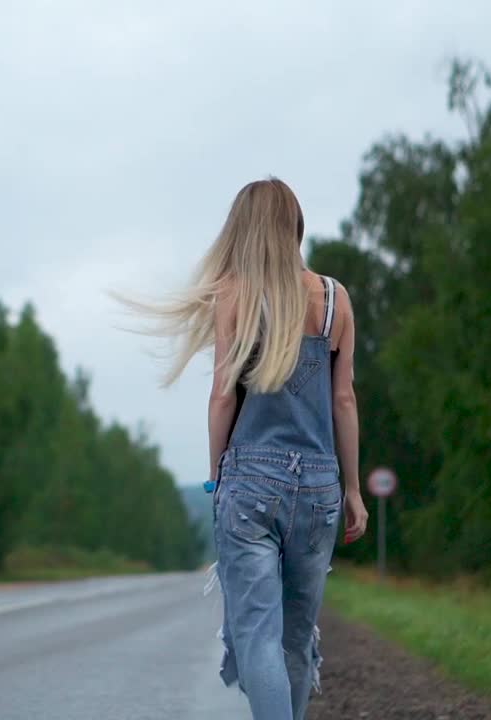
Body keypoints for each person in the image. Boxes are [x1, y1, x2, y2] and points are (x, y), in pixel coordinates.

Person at [128, 178, 366, 720]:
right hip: (320, 485)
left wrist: (218, 481)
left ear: (243, 230)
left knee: (258, 635)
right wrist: (352, 489)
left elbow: (220, 399)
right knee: (296, 639)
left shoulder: (233, 294)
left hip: (251, 482)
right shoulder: (334, 299)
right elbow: (344, 400)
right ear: (295, 226)